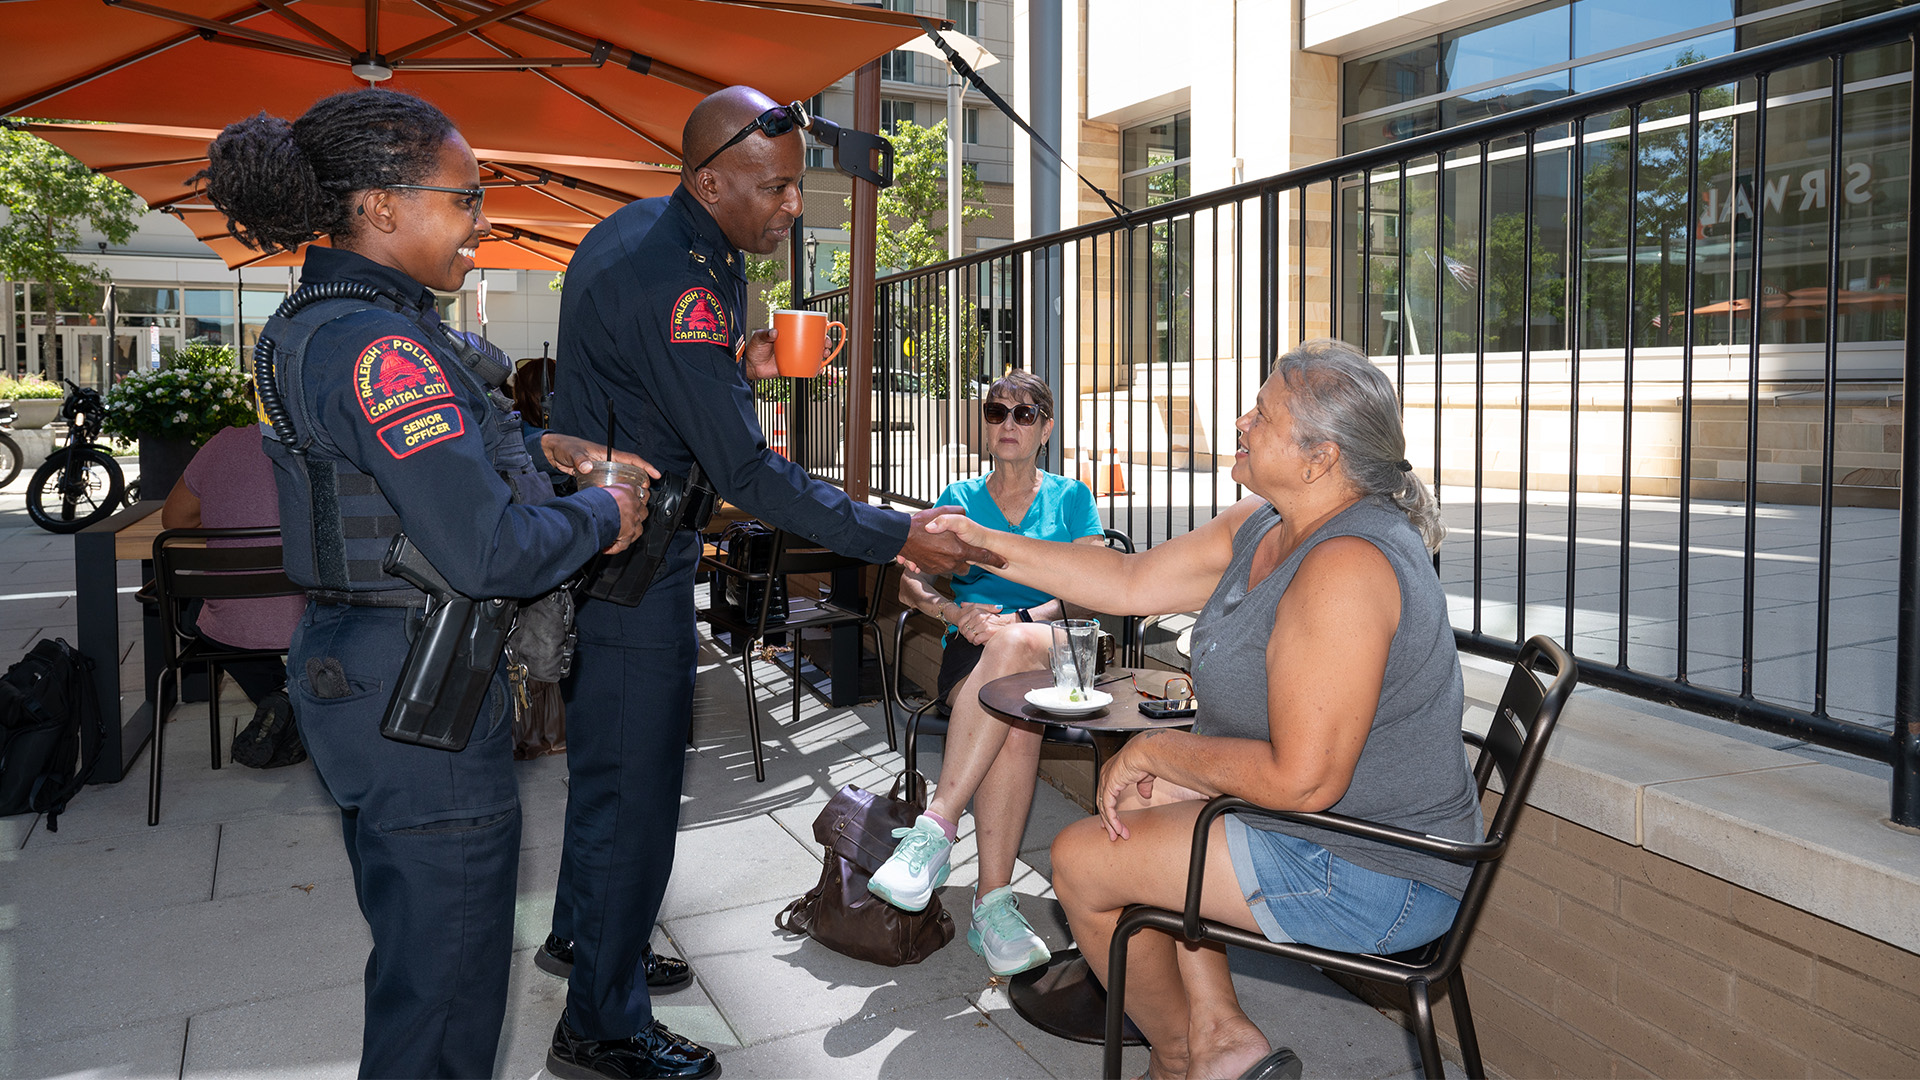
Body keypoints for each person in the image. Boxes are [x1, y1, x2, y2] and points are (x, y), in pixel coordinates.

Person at [541, 84, 998, 1080]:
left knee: (606, 779)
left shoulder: (646, 236)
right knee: (638, 795)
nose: (793, 208)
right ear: (711, 179)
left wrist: (724, 371)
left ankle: (585, 938)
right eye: (775, 189)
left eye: (797, 186)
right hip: (637, 564)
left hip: (605, 548)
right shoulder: (684, 286)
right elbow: (747, 474)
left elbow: (648, 383)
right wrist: (899, 533)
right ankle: (600, 1027)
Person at [196, 88, 649, 1079]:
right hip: (421, 695)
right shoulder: (383, 347)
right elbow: (485, 551)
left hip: (371, 673)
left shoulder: (332, 319)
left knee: (419, 965)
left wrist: (541, 445)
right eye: (466, 198)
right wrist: (603, 514)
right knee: (442, 1003)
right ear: (384, 206)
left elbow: (407, 470)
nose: (481, 225)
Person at [925, 339, 1479, 1080]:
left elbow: (1305, 781)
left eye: (1263, 415)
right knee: (1151, 811)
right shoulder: (1265, 523)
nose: (1242, 423)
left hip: (1375, 870)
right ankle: (1221, 1037)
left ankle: (1182, 1056)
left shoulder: (1348, 564)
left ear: (1318, 459)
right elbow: (1124, 580)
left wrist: (1159, 752)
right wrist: (981, 543)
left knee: (1082, 864)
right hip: (1318, 826)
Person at [866, 369, 1106, 977]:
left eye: (1024, 415)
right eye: (997, 412)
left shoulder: (1072, 496)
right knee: (1015, 723)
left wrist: (1022, 616)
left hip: (1053, 650)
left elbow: (1092, 589)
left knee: (1016, 645)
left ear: (1045, 428)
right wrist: (955, 610)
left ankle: (937, 828)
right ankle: (992, 906)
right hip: (973, 653)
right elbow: (912, 580)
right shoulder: (960, 497)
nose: (1008, 424)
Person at [160, 422, 309, 766]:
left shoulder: (221, 444)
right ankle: (295, 702)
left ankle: (280, 703)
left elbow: (174, 517)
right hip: (314, 623)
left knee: (205, 611)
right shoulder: (327, 440)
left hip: (233, 631)